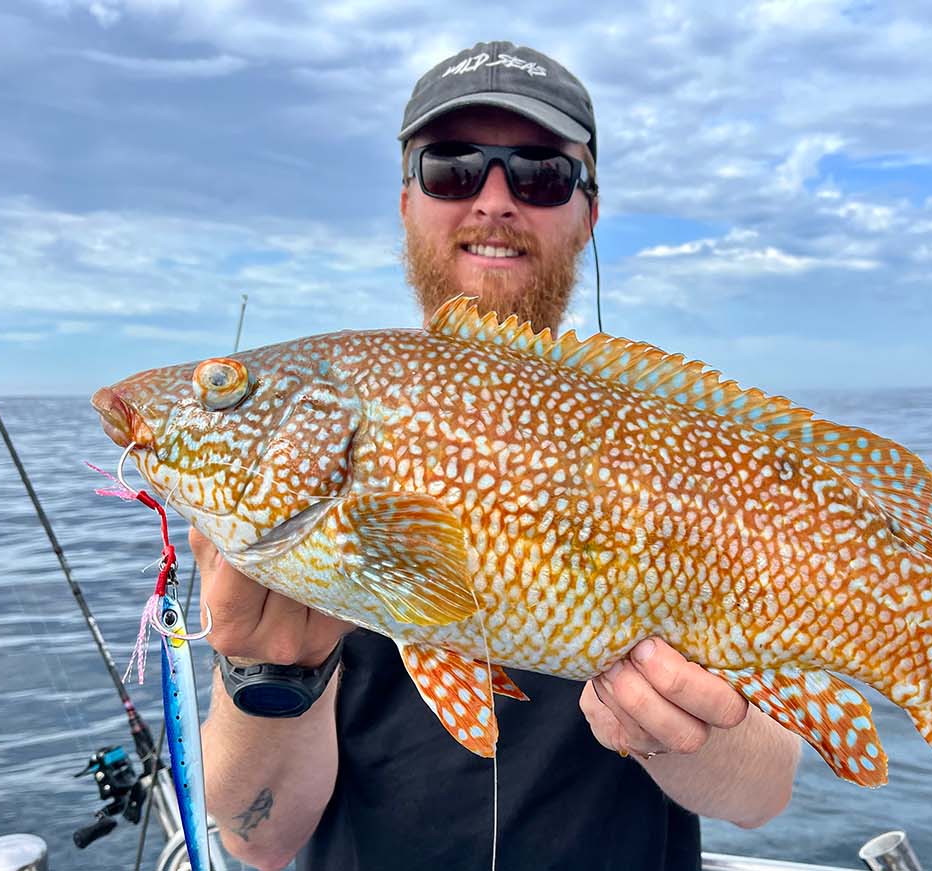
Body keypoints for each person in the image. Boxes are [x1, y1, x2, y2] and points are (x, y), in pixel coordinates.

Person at [196, 41, 803, 871]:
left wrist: (677, 736)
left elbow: (765, 791)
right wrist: (271, 675)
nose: (493, 201)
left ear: (589, 209)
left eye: (540, 173)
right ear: (407, 200)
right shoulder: (323, 477)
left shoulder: (666, 442)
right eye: (451, 168)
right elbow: (255, 838)